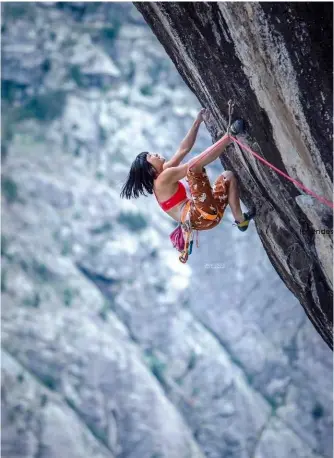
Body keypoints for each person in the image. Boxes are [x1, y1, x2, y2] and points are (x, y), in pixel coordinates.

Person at [120, 108, 255, 261]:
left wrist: (197, 121)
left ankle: (241, 221)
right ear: (150, 170)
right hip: (201, 214)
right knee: (192, 168)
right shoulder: (162, 180)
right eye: (151, 156)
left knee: (227, 177)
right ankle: (229, 136)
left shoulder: (163, 175)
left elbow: (183, 149)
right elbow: (192, 166)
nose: (155, 154)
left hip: (206, 216)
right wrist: (227, 138)